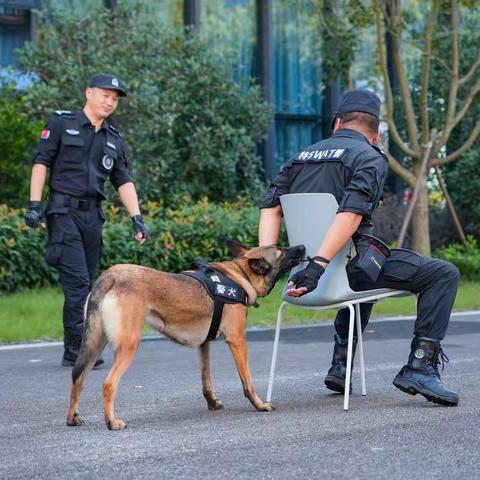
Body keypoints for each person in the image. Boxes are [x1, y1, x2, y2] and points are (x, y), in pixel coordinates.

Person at [258, 89, 460, 406]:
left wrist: (268, 264)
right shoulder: (369, 157)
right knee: (442, 273)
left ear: (337, 123)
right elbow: (350, 213)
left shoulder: (299, 159)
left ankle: (342, 364)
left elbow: (270, 208)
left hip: (306, 274)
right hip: (336, 272)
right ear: (375, 133)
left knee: (368, 266)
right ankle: (420, 366)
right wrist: (320, 265)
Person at [25, 73, 149, 368]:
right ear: (89, 93)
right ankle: (79, 348)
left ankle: (76, 348)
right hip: (63, 212)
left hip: (93, 216)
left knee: (90, 285)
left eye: (115, 99)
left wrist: (137, 218)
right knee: (79, 282)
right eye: (105, 95)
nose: (110, 102)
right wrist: (34, 205)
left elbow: (123, 180)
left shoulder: (113, 138)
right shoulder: (60, 124)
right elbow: (41, 162)